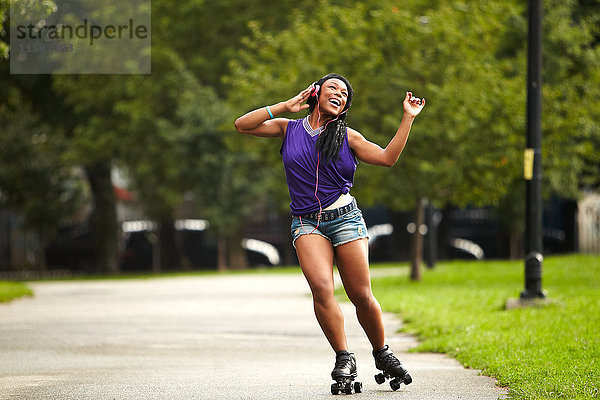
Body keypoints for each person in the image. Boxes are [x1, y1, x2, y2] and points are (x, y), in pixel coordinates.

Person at [234, 73, 425, 390]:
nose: (340, 94)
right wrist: (285, 105)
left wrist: (408, 117)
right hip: (307, 222)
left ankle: (382, 352)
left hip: (346, 219)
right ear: (316, 93)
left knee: (360, 295)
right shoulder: (288, 129)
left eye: (345, 93)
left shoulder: (349, 136)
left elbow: (388, 158)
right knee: (322, 289)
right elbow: (243, 124)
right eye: (334, 88)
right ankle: (344, 356)